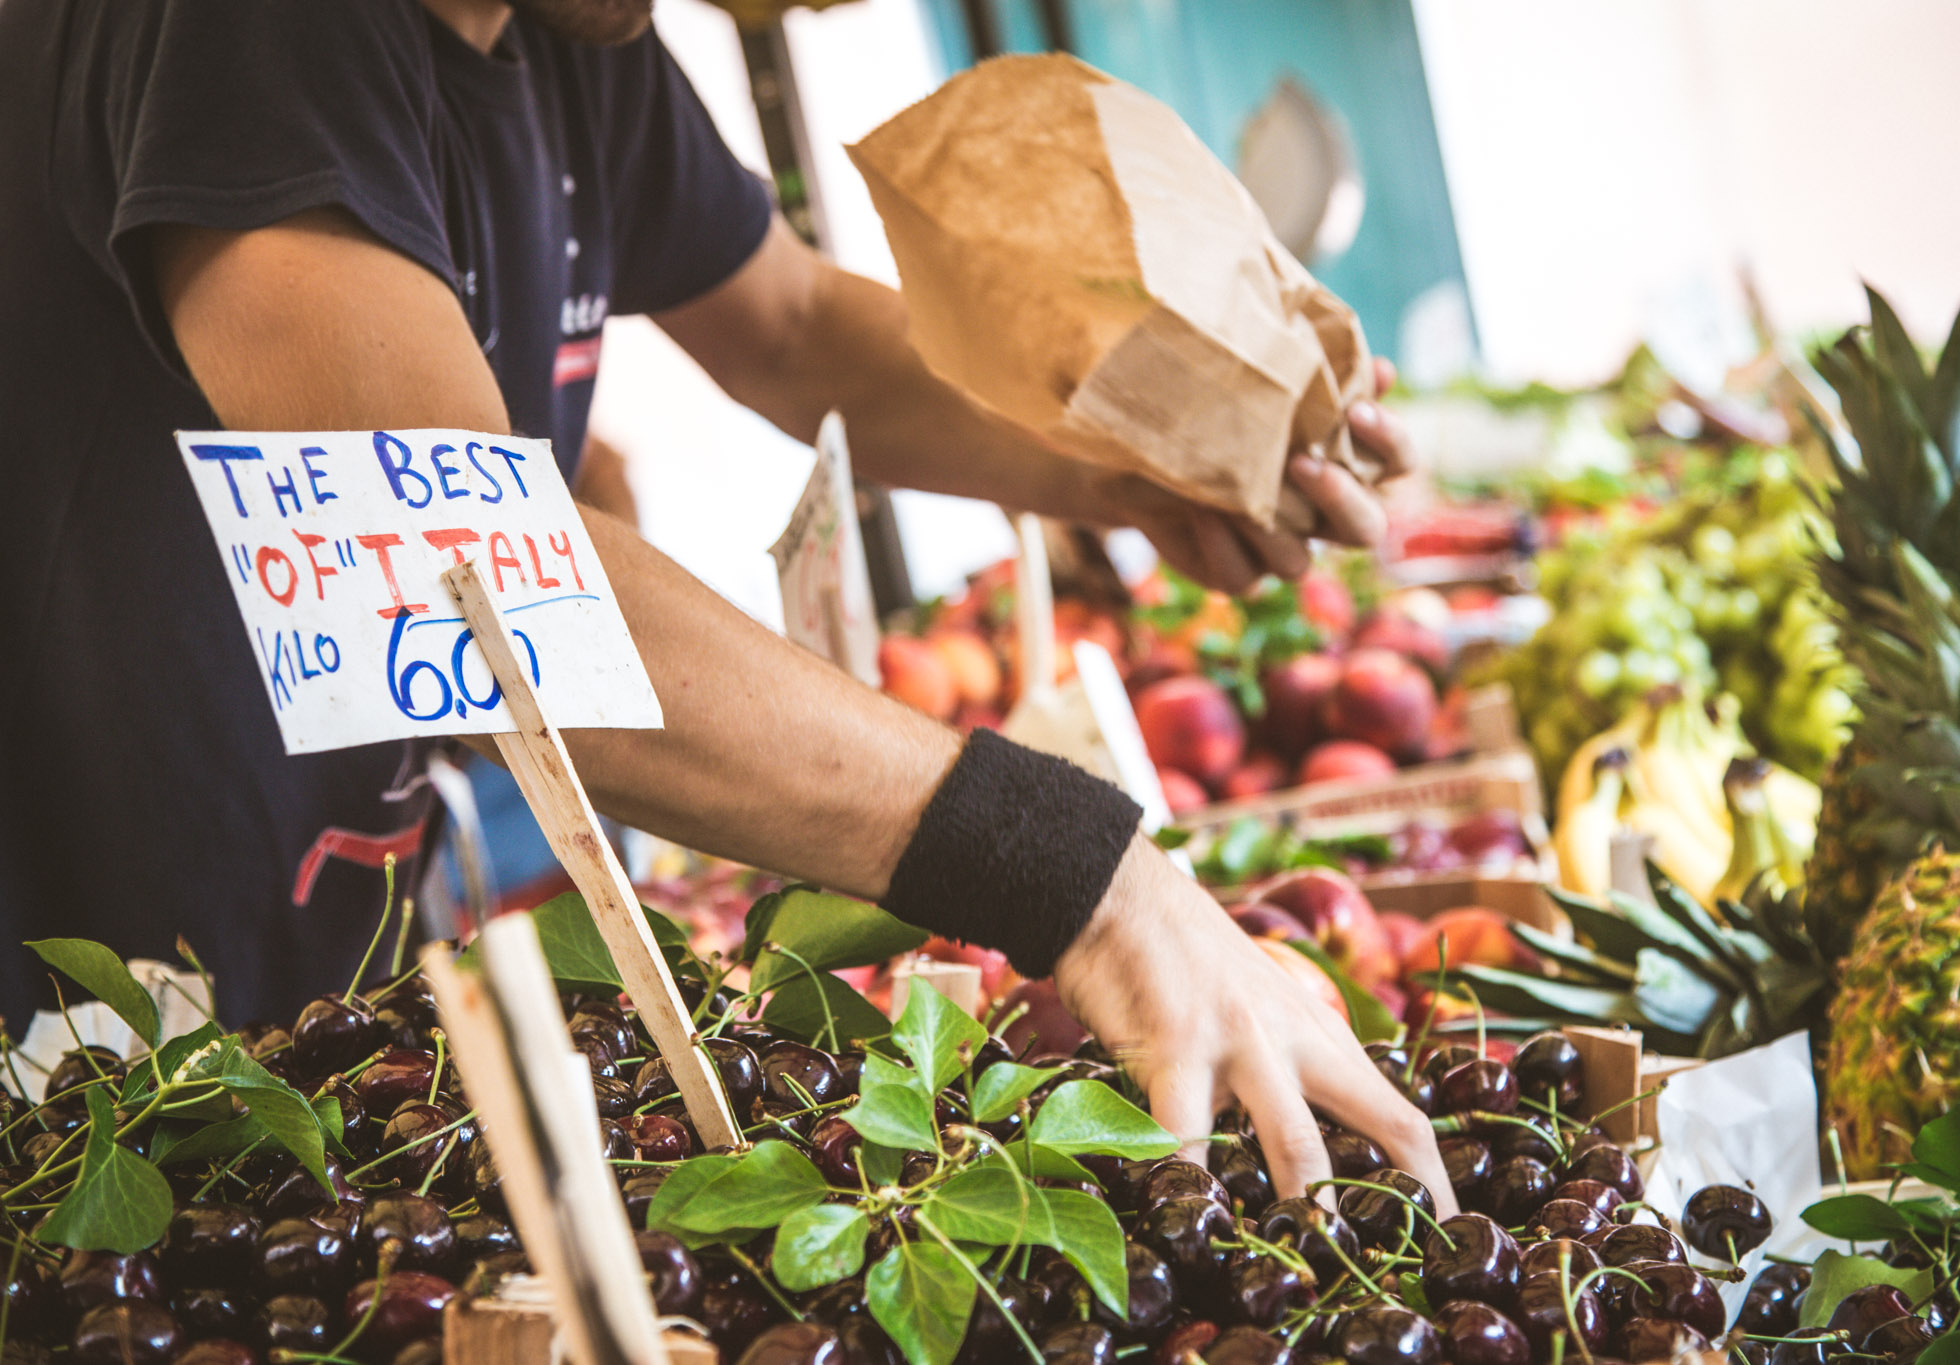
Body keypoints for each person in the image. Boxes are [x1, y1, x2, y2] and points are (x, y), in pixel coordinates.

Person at [0, 0, 1449, 1208]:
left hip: (309, 970)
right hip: (69, 1028)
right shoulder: (242, 31)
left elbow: (793, 326)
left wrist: (1135, 463)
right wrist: (1082, 873)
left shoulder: (573, 36)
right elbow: (477, 585)